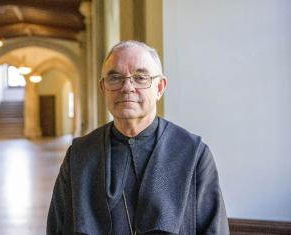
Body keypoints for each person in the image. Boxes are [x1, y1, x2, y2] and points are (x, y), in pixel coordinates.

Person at [47, 40, 230, 235]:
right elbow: (57, 227)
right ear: (103, 88)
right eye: (115, 77)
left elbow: (214, 230)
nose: (127, 87)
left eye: (140, 77)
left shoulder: (193, 153)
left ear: (159, 88)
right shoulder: (79, 154)